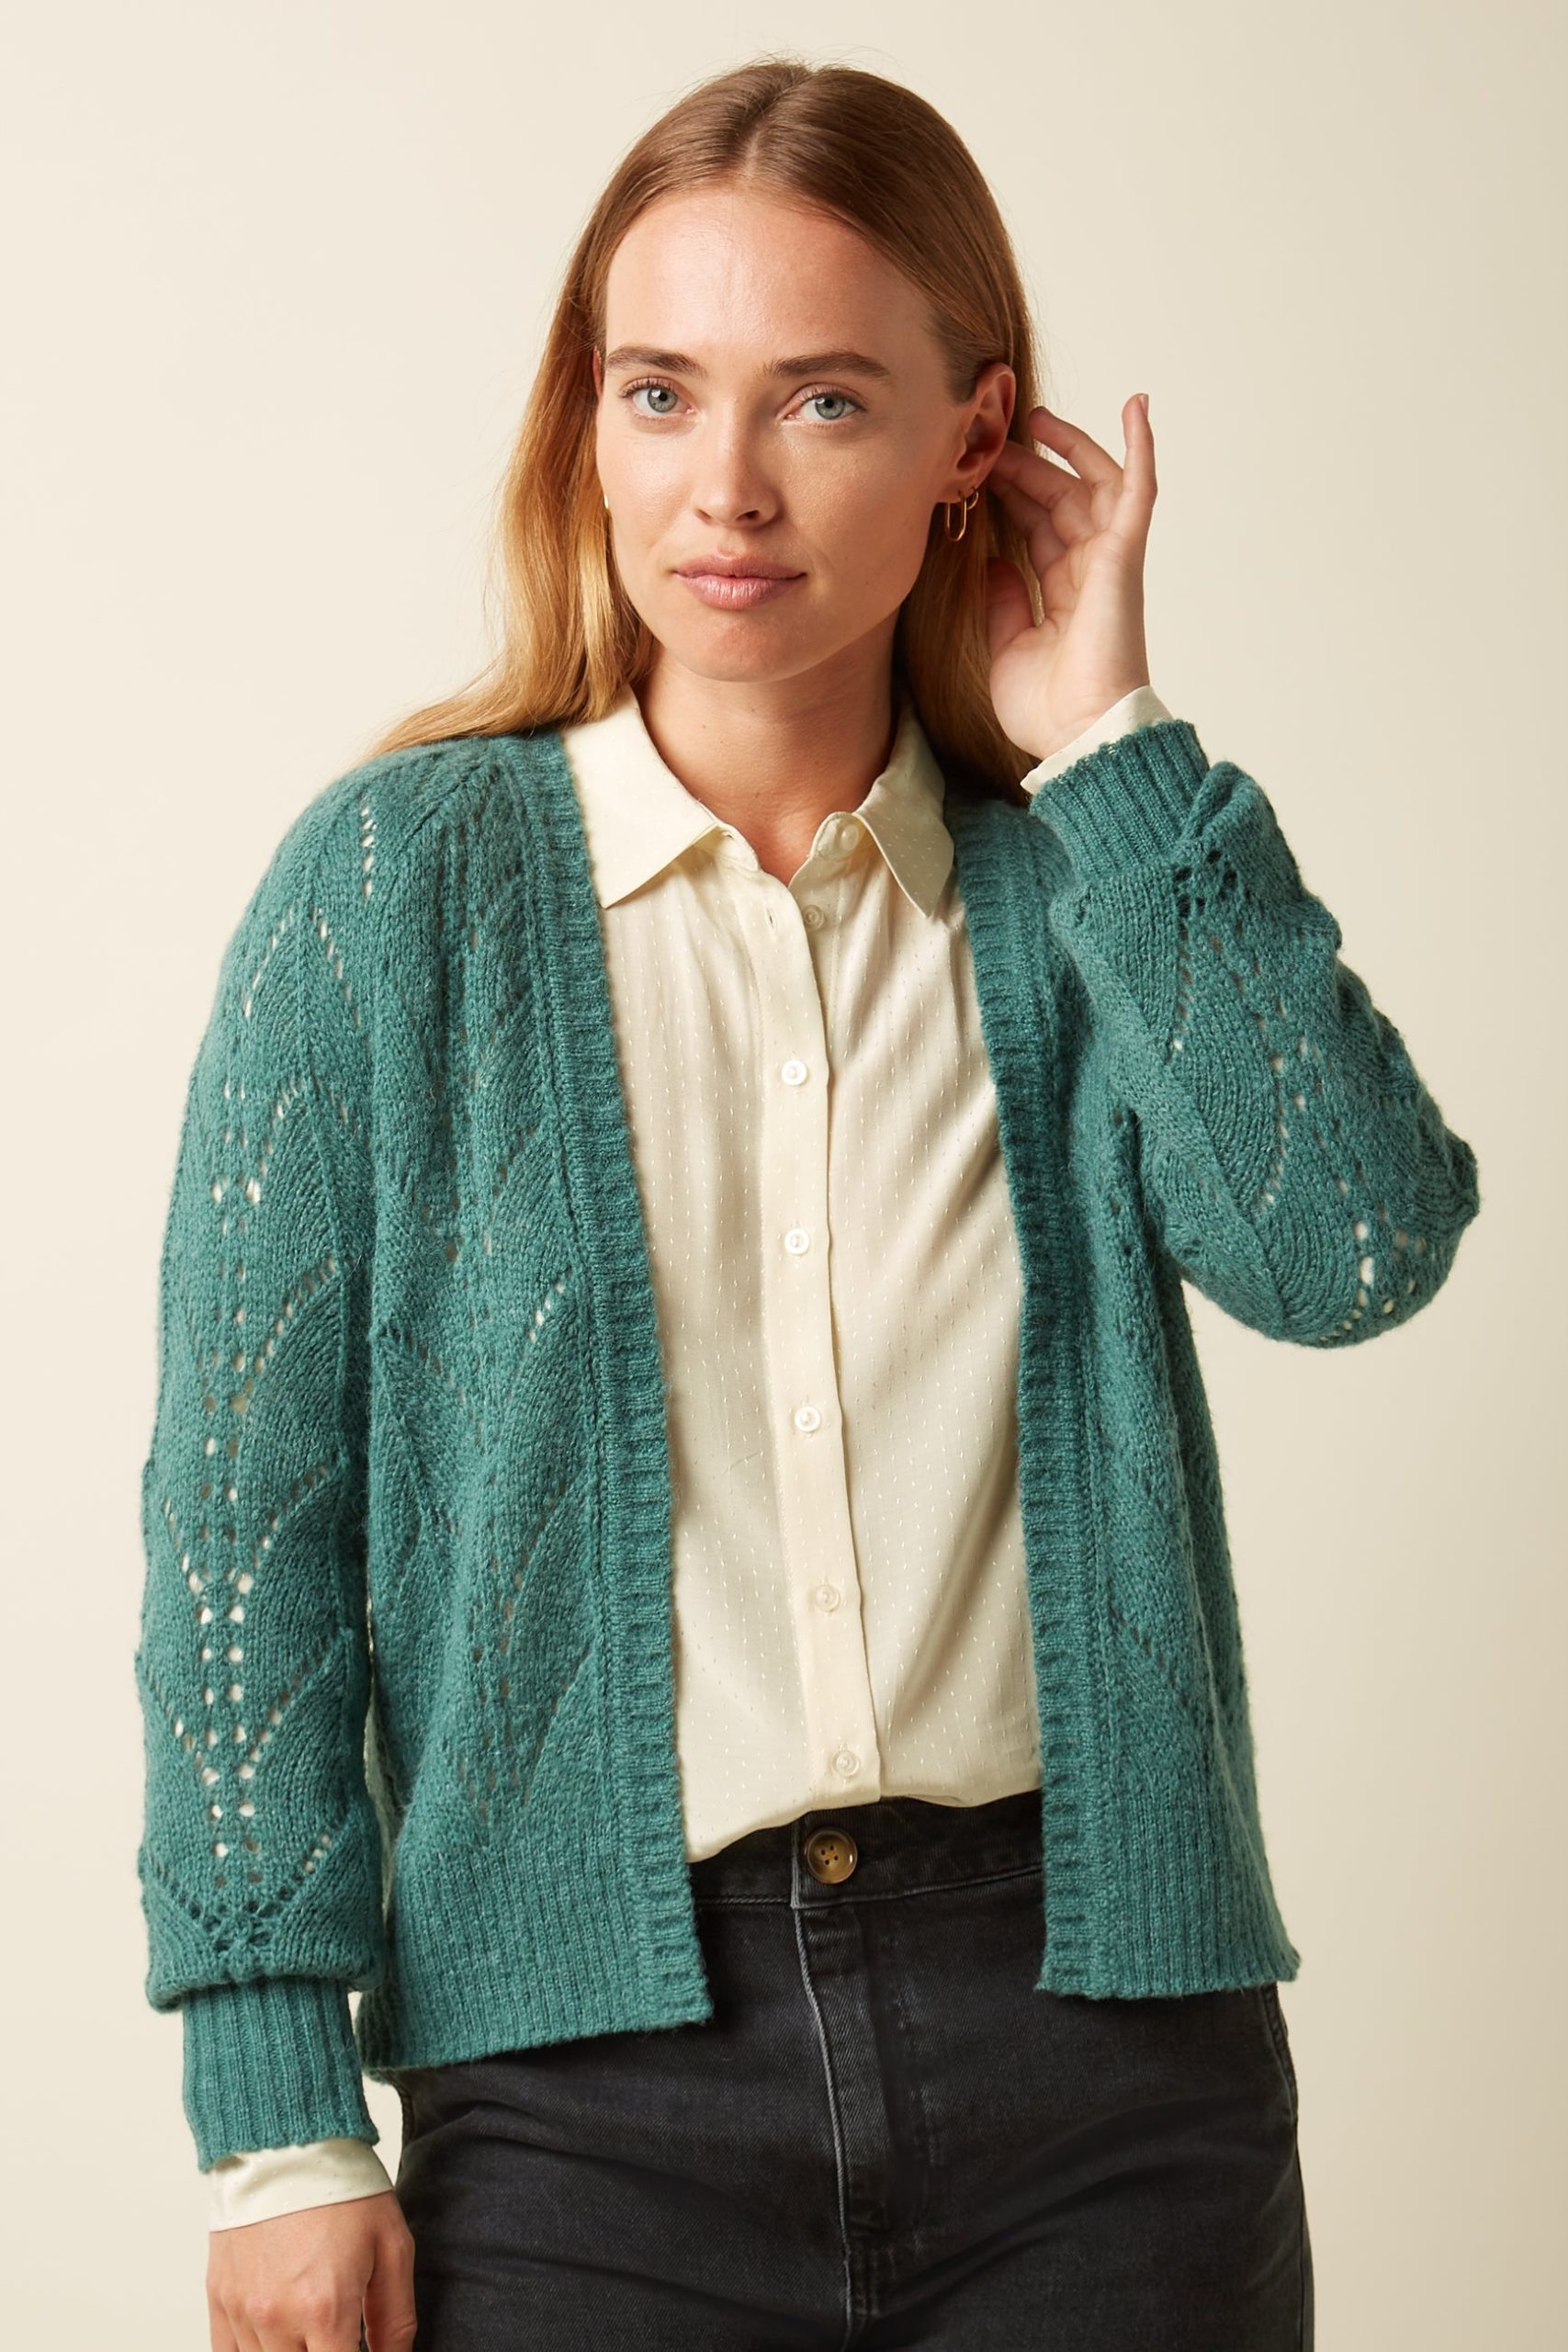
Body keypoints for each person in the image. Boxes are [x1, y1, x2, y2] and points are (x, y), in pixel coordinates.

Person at [135, 52, 1480, 2352]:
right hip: (580, 2097)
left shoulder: (1077, 889)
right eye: (658, 391)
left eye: (824, 400)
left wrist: (1113, 745)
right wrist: (279, 2124)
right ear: (586, 423)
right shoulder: (389, 892)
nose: (725, 485)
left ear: (977, 437)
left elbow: (1349, 1248)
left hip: (1100, 2073)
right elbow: (244, 1532)